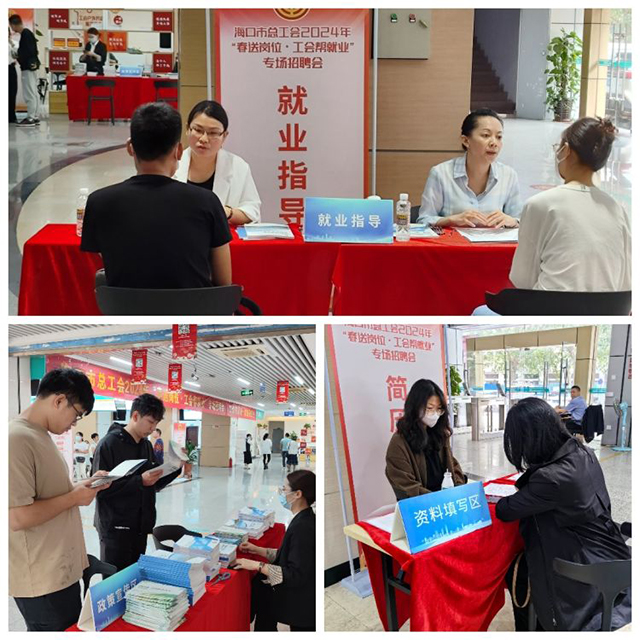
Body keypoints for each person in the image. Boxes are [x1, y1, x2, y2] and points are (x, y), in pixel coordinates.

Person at [496, 398, 631, 631]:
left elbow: (505, 509)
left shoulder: (550, 478)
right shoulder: (582, 451)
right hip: (611, 551)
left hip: (585, 571)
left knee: (517, 572)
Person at [80, 102, 233, 289]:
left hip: (125, 306)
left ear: (130, 147)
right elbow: (224, 283)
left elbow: (112, 262)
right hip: (193, 306)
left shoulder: (99, 202)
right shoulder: (207, 202)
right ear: (178, 151)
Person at [9, 368, 111, 631]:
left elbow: (50, 492)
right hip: (41, 579)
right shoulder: (16, 439)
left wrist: (83, 485)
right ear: (59, 400)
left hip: (58, 569)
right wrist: (74, 497)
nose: (74, 424)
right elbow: (17, 517)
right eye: (76, 415)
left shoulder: (39, 434)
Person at [510, 117, 630, 292]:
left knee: (482, 308)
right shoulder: (617, 210)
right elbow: (626, 281)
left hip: (548, 306)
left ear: (566, 150)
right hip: (607, 307)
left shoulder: (540, 205)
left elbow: (522, 279)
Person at [91, 393, 184, 571]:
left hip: (140, 527)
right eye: (150, 422)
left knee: (134, 577)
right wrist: (139, 481)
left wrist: (175, 467)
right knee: (116, 579)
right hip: (116, 529)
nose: (153, 428)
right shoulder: (109, 444)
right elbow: (99, 489)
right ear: (135, 416)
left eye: (156, 424)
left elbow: (153, 484)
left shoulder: (145, 445)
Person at [234, 470, 316, 631]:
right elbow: (289, 555)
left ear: (298, 494)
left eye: (284, 489)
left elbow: (294, 575)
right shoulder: (302, 519)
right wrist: (258, 550)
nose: (281, 493)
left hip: (302, 607)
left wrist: (256, 565)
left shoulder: (302, 528)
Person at [417, 108, 521, 227]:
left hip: (494, 239)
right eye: (486, 135)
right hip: (454, 239)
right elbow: (424, 220)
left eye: (499, 137)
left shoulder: (508, 175)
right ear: (466, 141)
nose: (494, 143)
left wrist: (513, 221)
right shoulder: (441, 173)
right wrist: (450, 220)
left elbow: (521, 220)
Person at [173, 100, 261, 224]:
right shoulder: (170, 164)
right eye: (198, 130)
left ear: (224, 136)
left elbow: (252, 212)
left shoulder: (238, 166)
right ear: (188, 129)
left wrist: (227, 212)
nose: (204, 139)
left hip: (221, 235)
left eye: (213, 133)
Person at [385, 379, 465, 500]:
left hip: (446, 500)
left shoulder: (439, 434)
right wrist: (437, 500)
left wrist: (459, 488)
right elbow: (406, 485)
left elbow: (452, 465)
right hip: (422, 504)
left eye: (439, 409)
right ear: (415, 407)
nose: (435, 414)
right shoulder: (399, 442)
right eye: (430, 408)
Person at [9, 14, 40, 127]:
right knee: (33, 92)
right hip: (31, 67)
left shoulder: (25, 34)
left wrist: (17, 54)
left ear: (13, 25)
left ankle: (30, 117)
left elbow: (28, 52)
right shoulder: (27, 34)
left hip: (28, 68)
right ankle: (34, 116)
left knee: (29, 93)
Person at [9, 28, 18, 123]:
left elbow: (16, 55)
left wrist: (11, 44)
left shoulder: (14, 43)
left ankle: (11, 115)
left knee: (12, 92)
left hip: (10, 68)